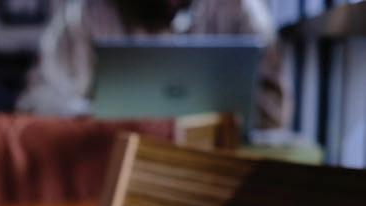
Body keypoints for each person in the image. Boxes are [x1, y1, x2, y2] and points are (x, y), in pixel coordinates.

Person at [16, 0, 290, 129]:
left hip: (216, 168)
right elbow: (37, 101)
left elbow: (273, 111)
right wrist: (97, 117)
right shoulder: (85, 13)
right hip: (109, 167)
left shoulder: (240, 9)